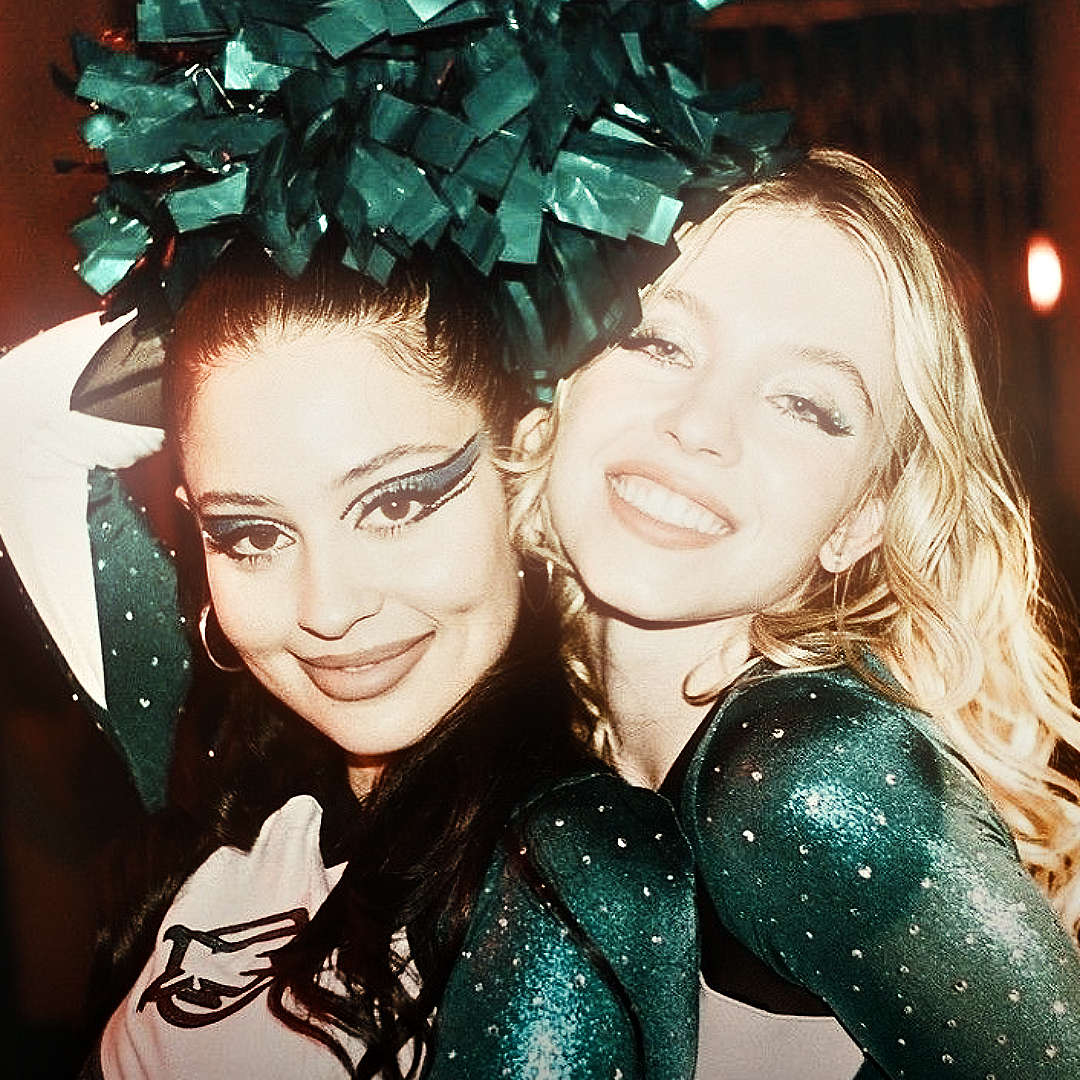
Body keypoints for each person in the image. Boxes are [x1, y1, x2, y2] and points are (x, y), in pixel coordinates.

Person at [0, 243, 700, 1080]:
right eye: (252, 534)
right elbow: (21, 417)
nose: (327, 611)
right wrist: (231, 295)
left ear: (524, 467)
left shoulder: (571, 863)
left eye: (396, 503)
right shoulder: (223, 773)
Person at [512, 148, 1080, 1079]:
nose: (700, 426)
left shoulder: (809, 783)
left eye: (802, 404)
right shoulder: (546, 740)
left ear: (860, 522)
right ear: (564, 379)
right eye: (660, 342)